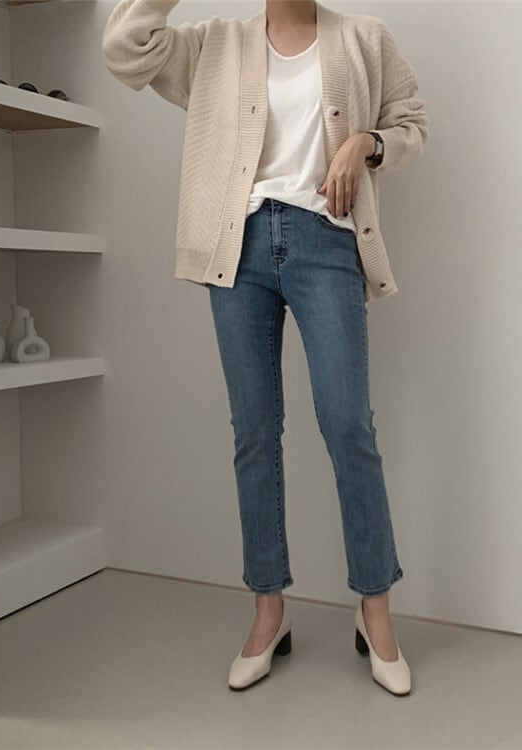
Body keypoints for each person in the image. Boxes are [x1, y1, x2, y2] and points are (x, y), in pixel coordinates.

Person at [102, 0, 428, 696]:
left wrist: (365, 142)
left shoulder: (364, 39)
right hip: (237, 247)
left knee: (348, 425)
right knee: (254, 432)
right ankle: (268, 610)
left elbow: (412, 124)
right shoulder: (214, 46)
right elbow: (124, 48)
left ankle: (374, 609)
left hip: (327, 242)